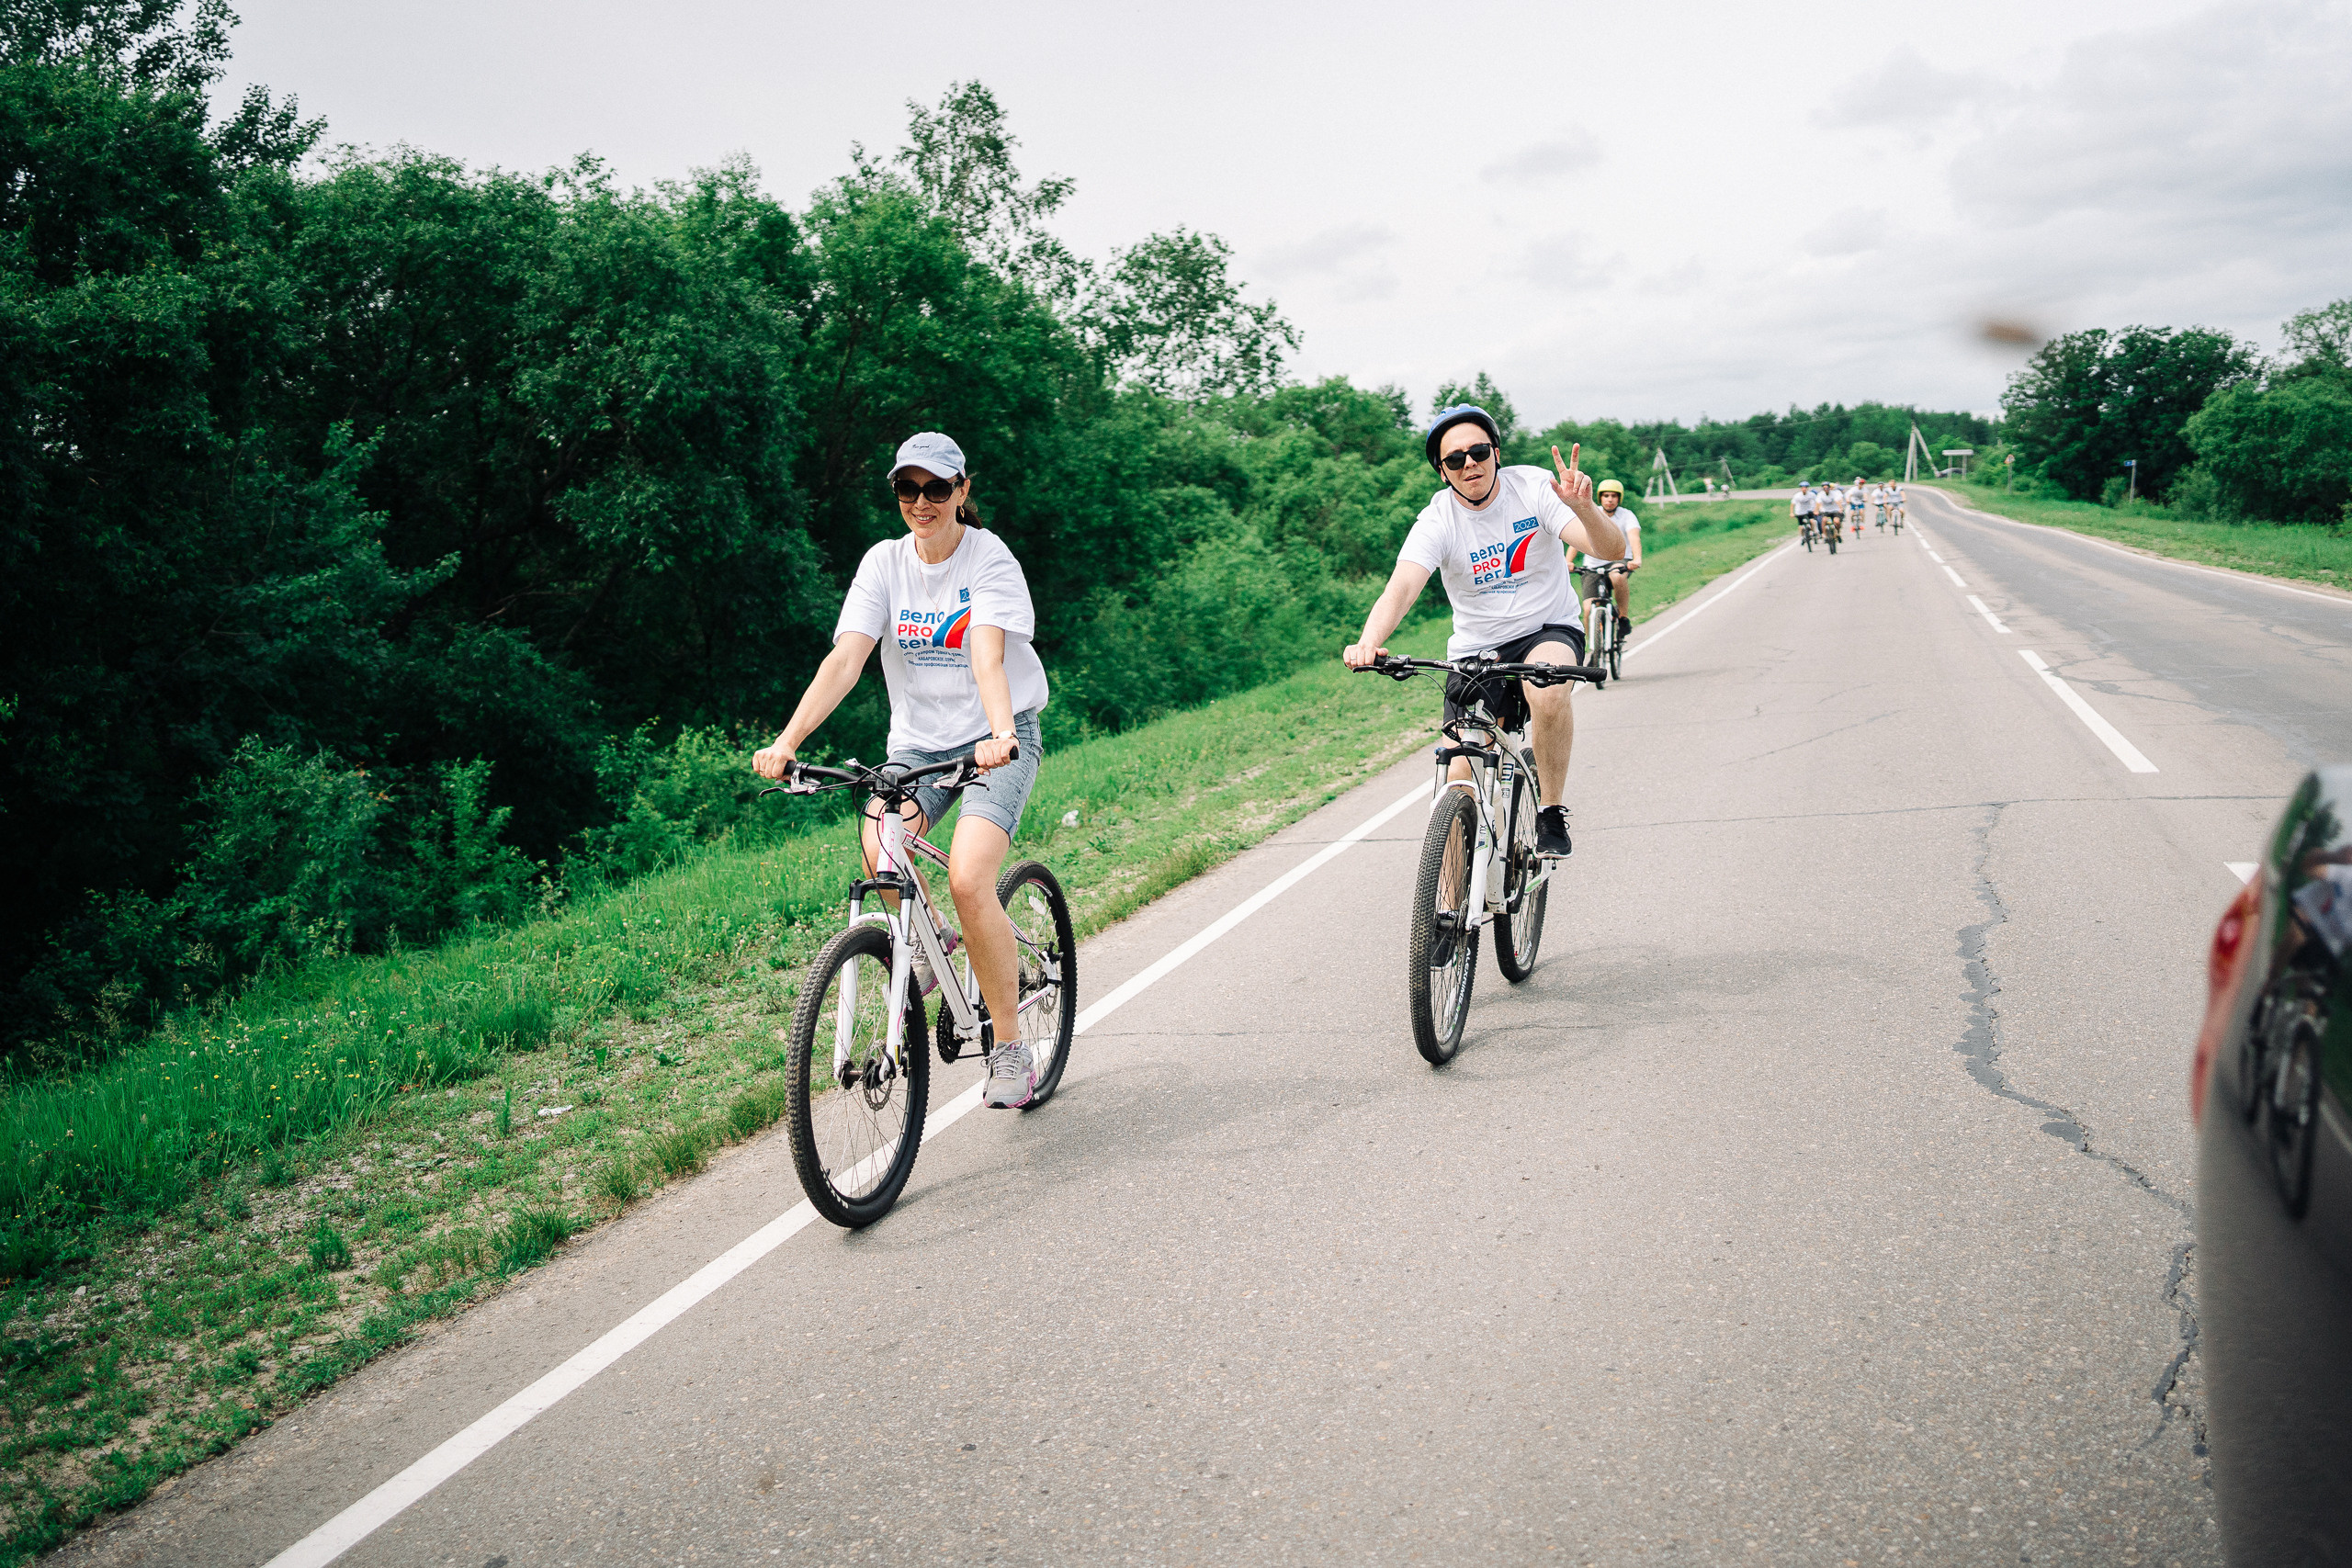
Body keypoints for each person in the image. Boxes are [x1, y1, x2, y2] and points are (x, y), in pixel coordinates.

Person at [752, 432, 1052, 1111]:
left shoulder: (989, 558)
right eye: (908, 488)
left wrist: (1001, 734)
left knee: (970, 877)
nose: (922, 501)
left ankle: (1009, 1047)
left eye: (936, 488)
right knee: (879, 845)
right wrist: (788, 741)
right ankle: (930, 942)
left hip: (995, 738)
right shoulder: (883, 564)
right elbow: (846, 660)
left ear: (961, 491)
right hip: (918, 747)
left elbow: (986, 656)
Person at [1341, 405, 1623, 858]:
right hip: (1477, 648)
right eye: (1455, 459)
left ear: (1496, 453)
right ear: (1443, 471)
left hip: (1546, 627)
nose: (1469, 464)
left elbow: (1609, 548)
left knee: (1546, 688)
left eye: (1478, 452)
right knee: (1459, 778)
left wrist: (1585, 509)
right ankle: (1452, 893)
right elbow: (1402, 587)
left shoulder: (1533, 488)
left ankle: (1550, 811)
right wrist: (1369, 642)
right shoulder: (1438, 519)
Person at [1584, 479, 1643, 638]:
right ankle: (1592, 646)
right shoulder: (1592, 513)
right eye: (1606, 496)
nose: (1609, 500)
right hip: (1592, 564)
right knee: (1588, 609)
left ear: (1619, 498)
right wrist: (1568, 561)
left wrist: (1637, 559)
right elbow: (1579, 537)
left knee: (1616, 576)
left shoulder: (1627, 515)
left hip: (1619, 560)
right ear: (1600, 498)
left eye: (1614, 496)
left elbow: (1634, 538)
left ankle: (1623, 618)